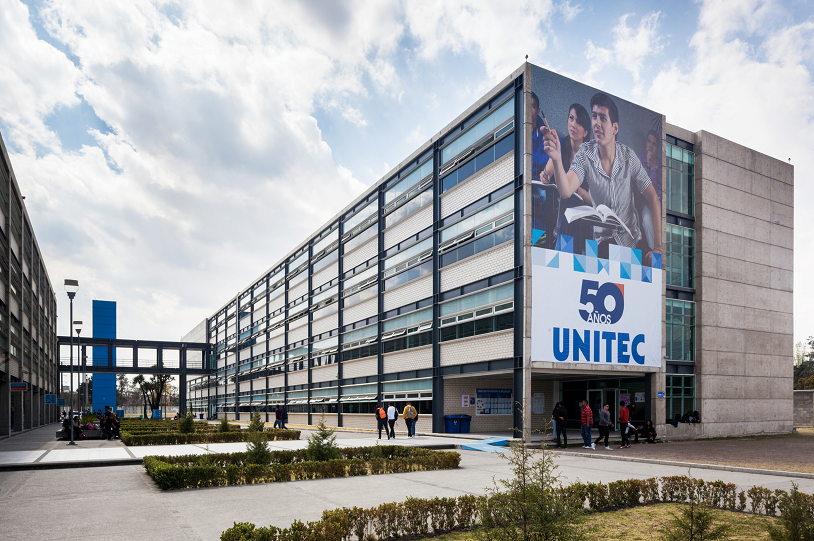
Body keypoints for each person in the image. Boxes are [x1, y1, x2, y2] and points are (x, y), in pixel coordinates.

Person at [543, 93, 663, 265]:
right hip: (603, 245)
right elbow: (566, 189)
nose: (597, 123)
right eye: (594, 117)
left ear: (615, 128)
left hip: (632, 241)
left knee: (652, 268)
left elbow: (653, 197)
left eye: (603, 118)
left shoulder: (629, 157)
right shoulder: (585, 152)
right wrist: (556, 158)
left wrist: (658, 247)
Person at [543, 104, 593, 252]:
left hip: (583, 211)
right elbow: (547, 172)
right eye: (571, 118)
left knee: (572, 201)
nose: (573, 124)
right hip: (562, 208)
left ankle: (561, 250)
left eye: (579, 122)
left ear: (585, 132)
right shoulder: (562, 144)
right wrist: (545, 175)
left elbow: (597, 202)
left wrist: (577, 189)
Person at [638, 130, 662, 251]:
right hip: (647, 204)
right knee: (647, 220)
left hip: (660, 205)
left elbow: (663, 188)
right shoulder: (640, 160)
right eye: (649, 141)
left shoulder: (662, 165)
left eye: (654, 143)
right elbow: (640, 187)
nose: (650, 146)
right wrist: (647, 166)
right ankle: (656, 255)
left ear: (657, 147)